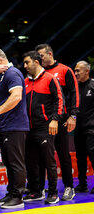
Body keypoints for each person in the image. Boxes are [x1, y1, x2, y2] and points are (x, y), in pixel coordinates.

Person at [0, 48, 29, 208]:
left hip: (14, 125)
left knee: (15, 161)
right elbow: (5, 99)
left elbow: (16, 96)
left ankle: (17, 196)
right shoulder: (4, 75)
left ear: (0, 60)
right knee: (9, 161)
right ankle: (11, 192)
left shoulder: (12, 73)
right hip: (7, 124)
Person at [35, 44, 79, 201]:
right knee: (41, 155)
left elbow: (74, 93)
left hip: (60, 119)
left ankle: (69, 187)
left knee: (63, 153)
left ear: (50, 54)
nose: (40, 59)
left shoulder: (65, 70)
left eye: (41, 55)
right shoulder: (40, 73)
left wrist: (73, 115)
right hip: (42, 121)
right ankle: (39, 188)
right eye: (38, 57)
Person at [22, 51, 64, 204]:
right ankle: (35, 191)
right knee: (31, 161)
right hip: (28, 128)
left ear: (37, 62)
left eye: (27, 62)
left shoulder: (50, 79)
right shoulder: (25, 81)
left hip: (45, 127)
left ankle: (53, 192)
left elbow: (60, 100)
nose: (25, 66)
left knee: (48, 161)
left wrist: (54, 120)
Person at [73, 61, 94, 193]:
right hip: (78, 129)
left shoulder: (93, 85)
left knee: (93, 155)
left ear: (87, 71)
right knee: (80, 157)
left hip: (92, 128)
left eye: (78, 71)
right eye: (75, 71)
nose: (76, 73)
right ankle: (82, 184)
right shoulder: (74, 88)